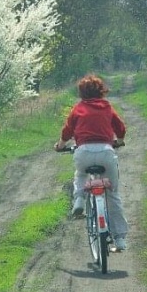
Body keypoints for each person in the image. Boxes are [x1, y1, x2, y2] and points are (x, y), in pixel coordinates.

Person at [54, 75, 128, 251]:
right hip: (106, 152)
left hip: (84, 152)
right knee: (112, 194)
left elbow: (67, 131)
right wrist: (120, 140)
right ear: (101, 90)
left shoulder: (78, 108)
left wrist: (60, 146)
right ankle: (119, 240)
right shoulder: (107, 107)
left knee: (80, 174)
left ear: (81, 92)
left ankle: (79, 199)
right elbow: (120, 128)